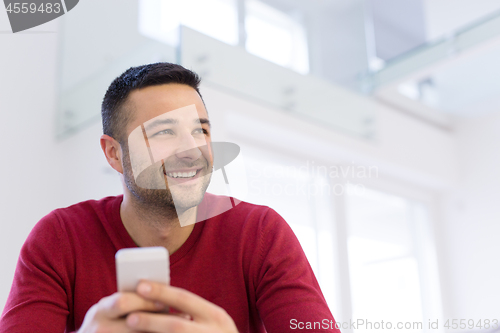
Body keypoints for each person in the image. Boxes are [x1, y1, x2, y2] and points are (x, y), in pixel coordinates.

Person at [0, 63, 341, 333]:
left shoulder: (261, 233)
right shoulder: (59, 238)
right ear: (114, 154)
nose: (192, 151)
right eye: (164, 132)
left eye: (200, 130)